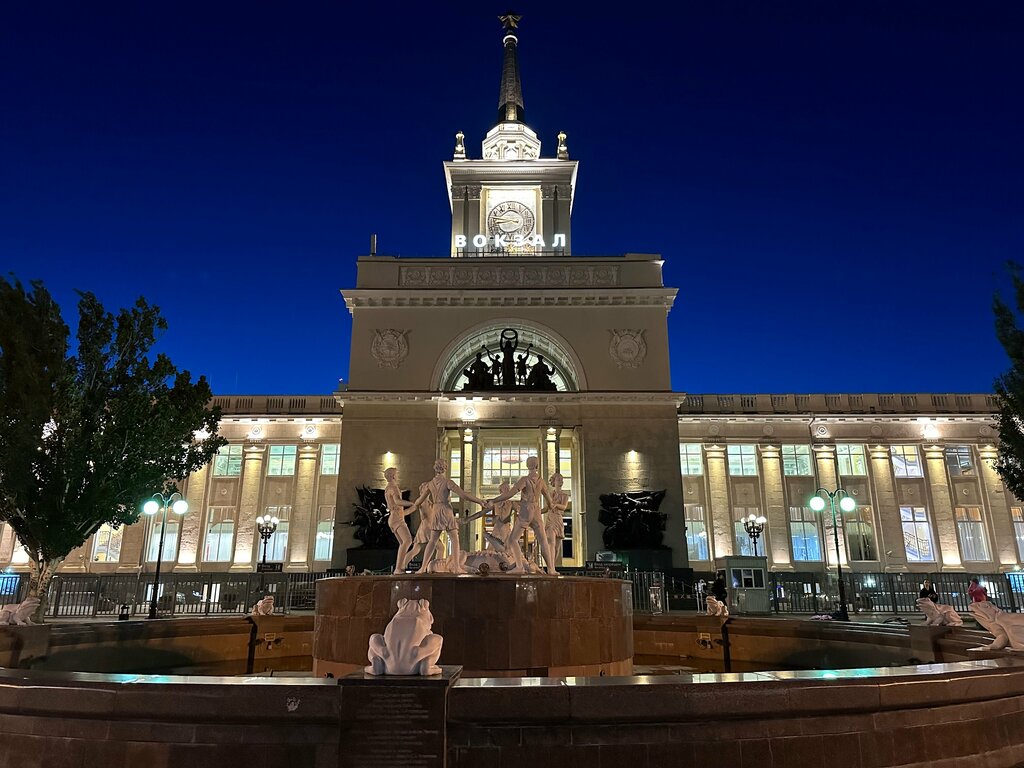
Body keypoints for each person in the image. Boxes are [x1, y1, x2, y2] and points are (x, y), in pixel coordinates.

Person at [409, 458, 489, 574]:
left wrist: (407, 507)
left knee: (432, 541)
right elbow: (463, 495)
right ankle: (456, 566)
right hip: (446, 510)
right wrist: (479, 501)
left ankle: (422, 568)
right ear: (445, 468)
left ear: (435, 468)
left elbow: (418, 502)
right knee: (454, 539)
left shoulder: (430, 484)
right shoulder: (448, 482)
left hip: (436, 511)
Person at [487, 455, 559, 575]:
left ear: (527, 466)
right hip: (536, 511)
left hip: (526, 511)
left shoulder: (524, 480)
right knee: (543, 540)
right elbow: (550, 502)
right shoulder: (541, 481)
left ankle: (519, 567)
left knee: (513, 540)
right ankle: (551, 569)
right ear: (537, 466)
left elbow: (510, 494)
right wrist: (551, 506)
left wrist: (493, 500)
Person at [383, 467, 418, 574]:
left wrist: (412, 508)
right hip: (396, 518)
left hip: (395, 517)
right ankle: (399, 568)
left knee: (403, 543)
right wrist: (411, 503)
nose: (397, 476)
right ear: (392, 475)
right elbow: (397, 501)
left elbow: (400, 510)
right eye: (396, 474)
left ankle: (400, 566)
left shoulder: (388, 488)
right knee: (407, 541)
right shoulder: (393, 487)